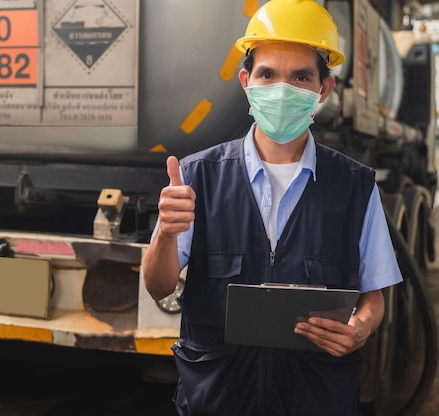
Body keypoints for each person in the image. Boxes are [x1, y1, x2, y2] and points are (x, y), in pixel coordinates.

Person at [142, 0, 403, 414]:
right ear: (246, 81)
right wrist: (167, 235)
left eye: (301, 77)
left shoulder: (354, 186)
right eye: (267, 74)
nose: (282, 89)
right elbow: (157, 285)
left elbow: (374, 295)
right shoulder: (198, 176)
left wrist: (362, 327)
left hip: (315, 398)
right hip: (218, 398)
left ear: (324, 89)